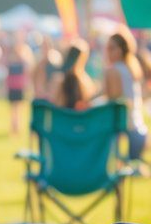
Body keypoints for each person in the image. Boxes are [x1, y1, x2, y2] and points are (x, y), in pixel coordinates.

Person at [104, 28, 148, 160]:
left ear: (121, 50)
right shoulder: (132, 68)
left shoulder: (113, 70)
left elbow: (114, 104)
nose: (108, 52)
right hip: (138, 130)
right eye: (108, 48)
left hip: (124, 130)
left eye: (112, 48)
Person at [53, 41, 95, 111]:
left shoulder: (58, 80)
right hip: (80, 120)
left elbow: (55, 105)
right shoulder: (85, 82)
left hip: (62, 119)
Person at [5, 32, 34, 134]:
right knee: (13, 108)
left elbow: (28, 70)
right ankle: (14, 126)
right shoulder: (11, 57)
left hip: (19, 85)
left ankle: (17, 127)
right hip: (12, 85)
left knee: (18, 108)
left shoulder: (24, 57)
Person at [32, 35, 62, 101]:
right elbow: (35, 80)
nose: (45, 49)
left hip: (52, 96)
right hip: (41, 96)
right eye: (43, 46)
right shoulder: (39, 63)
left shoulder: (55, 59)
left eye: (46, 46)